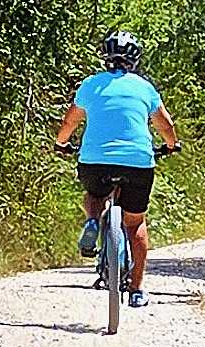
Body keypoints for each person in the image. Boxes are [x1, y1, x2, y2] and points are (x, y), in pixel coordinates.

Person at [53, 29, 176, 309]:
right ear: (135, 59)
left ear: (105, 58)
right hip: (137, 163)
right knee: (135, 224)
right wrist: (171, 145)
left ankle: (93, 221)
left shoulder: (90, 85)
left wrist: (61, 143)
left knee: (94, 195)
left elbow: (70, 122)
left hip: (95, 161)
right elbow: (165, 125)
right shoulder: (144, 88)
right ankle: (136, 289)